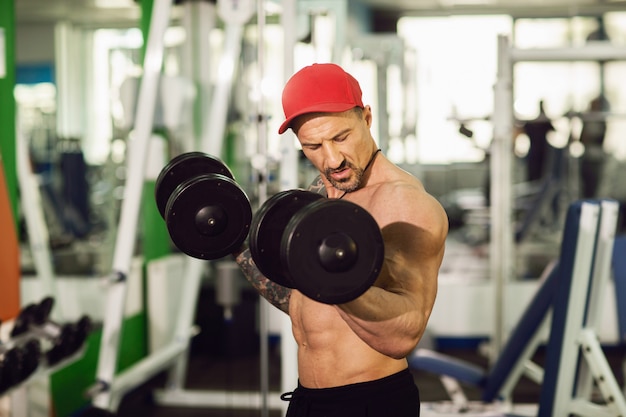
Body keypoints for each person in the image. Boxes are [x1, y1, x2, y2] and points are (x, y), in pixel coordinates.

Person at [232, 63, 449, 416]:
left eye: (340, 137)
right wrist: (235, 242)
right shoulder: (320, 195)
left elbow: (403, 334)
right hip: (308, 399)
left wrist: (332, 280)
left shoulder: (404, 204)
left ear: (366, 118)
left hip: (369, 403)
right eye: (313, 145)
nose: (331, 160)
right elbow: (300, 303)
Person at [579, 95, 608, 199]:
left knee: (594, 187)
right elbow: (581, 139)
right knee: (585, 186)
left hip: (596, 159)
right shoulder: (587, 121)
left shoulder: (601, 120)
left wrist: (590, 138)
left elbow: (600, 139)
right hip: (586, 157)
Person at [522, 100, 555, 183]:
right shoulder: (532, 124)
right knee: (533, 176)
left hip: (542, 153)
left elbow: (553, 129)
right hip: (534, 153)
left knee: (541, 175)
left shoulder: (544, 123)